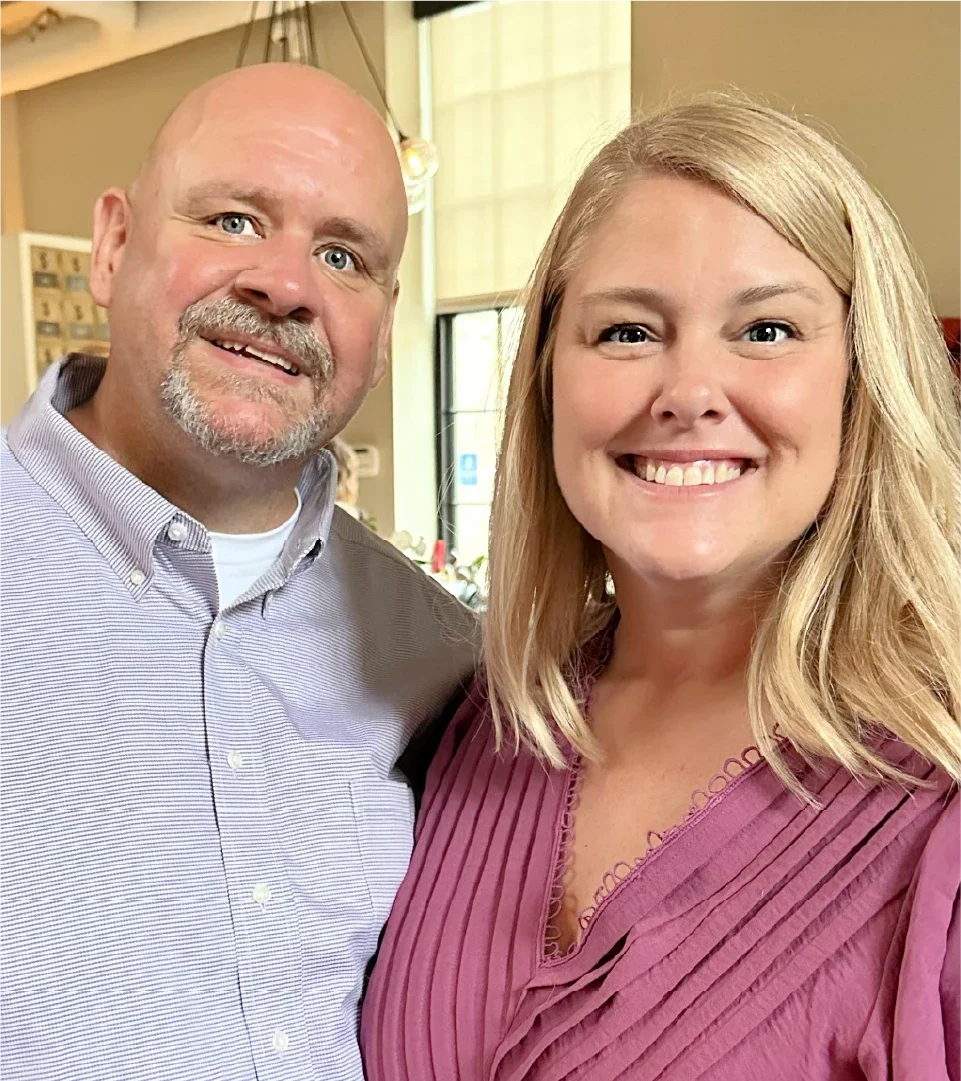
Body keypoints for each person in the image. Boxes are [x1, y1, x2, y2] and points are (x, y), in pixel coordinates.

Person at [361, 93, 961, 1079]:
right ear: (546, 381)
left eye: (765, 330)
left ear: (862, 380)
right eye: (627, 332)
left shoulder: (932, 794)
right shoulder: (480, 729)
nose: (687, 390)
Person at [0, 64, 476, 1081]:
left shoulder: (433, 654)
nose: (286, 284)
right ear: (113, 244)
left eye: (344, 255)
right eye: (230, 220)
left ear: (383, 330)